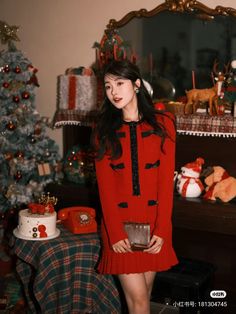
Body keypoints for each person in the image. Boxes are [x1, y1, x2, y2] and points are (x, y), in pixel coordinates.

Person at [92, 59, 178, 314]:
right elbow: (104, 189)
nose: (113, 92)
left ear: (137, 84)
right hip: (119, 228)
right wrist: (115, 233)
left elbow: (165, 184)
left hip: (153, 226)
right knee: (139, 301)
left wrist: (162, 229)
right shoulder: (102, 131)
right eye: (108, 86)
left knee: (143, 297)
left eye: (119, 83)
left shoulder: (164, 124)